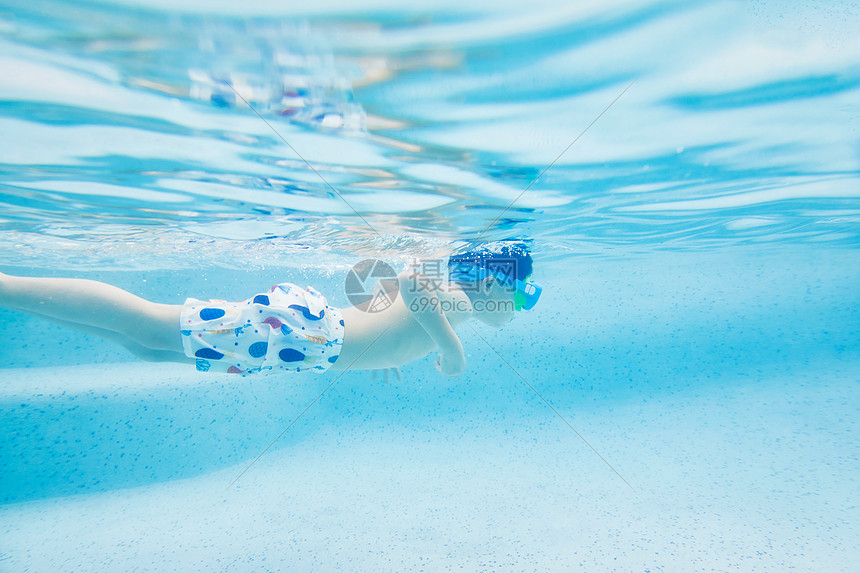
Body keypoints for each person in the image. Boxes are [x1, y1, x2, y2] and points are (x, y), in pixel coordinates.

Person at [0, 242, 541, 377]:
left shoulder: (460, 304)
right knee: (148, 324)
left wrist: (394, 352)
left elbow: (398, 313)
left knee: (146, 346)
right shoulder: (461, 298)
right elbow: (409, 281)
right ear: (493, 281)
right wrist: (451, 345)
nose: (518, 310)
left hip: (308, 349)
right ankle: (6, 284)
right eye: (520, 296)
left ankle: (13, 297)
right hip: (309, 338)